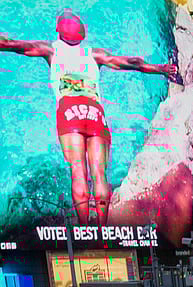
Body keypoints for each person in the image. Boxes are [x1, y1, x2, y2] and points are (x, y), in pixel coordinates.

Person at [0, 11, 180, 230]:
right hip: (94, 112)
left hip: (69, 112)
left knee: (78, 171)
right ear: (81, 32)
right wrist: (160, 69)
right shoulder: (95, 54)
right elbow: (131, 62)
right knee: (99, 173)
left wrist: (4, 42)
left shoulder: (50, 49)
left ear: (59, 30)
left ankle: (86, 229)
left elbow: (14, 45)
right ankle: (103, 228)